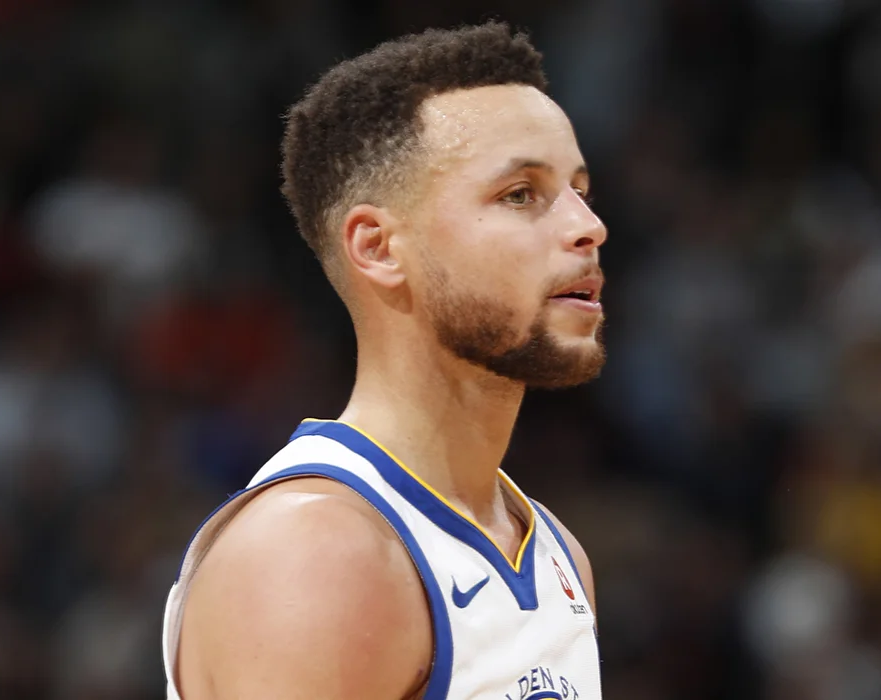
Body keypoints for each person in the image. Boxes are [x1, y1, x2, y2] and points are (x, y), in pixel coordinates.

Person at [161, 23, 606, 700]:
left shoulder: (555, 551)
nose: (587, 226)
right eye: (520, 194)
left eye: (581, 191)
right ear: (378, 248)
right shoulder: (317, 554)